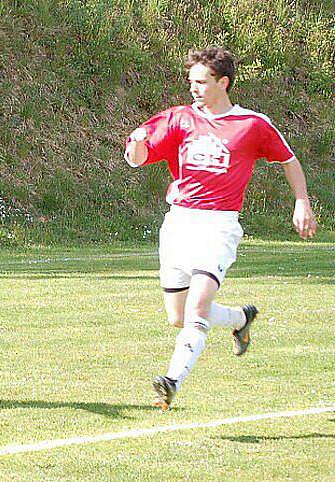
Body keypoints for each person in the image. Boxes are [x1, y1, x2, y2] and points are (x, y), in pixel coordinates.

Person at [124, 47, 316, 410]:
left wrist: (301, 201)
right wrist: (135, 144)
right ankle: (240, 318)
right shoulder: (178, 119)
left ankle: (171, 380)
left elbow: (289, 160)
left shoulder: (252, 124)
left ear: (223, 82)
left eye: (201, 81)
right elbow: (139, 158)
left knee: (197, 308)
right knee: (177, 316)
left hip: (218, 226)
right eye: (191, 81)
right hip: (178, 223)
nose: (193, 88)